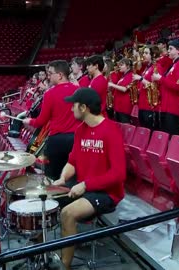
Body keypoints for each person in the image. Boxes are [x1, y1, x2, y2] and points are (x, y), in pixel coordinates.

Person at [53, 87, 126, 270]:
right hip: (85, 187)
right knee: (45, 202)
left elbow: (119, 174)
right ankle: (44, 254)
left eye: (74, 105)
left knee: (67, 214)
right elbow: (72, 162)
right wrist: (62, 179)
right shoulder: (80, 131)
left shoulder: (111, 130)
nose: (71, 109)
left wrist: (86, 184)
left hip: (107, 193)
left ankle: (64, 265)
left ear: (83, 107)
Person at [22, 60, 80, 180]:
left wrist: (29, 121)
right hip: (75, 139)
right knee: (72, 177)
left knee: (52, 177)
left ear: (60, 75)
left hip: (57, 141)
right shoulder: (78, 90)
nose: (48, 76)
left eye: (50, 73)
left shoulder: (50, 93)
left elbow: (41, 121)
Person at [151, 38, 179, 135]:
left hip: (173, 108)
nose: (168, 52)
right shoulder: (173, 65)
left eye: (170, 49)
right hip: (166, 107)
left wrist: (160, 79)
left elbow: (178, 86)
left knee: (172, 137)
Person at [133, 45, 162, 129]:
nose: (143, 55)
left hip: (150, 106)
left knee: (150, 132)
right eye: (143, 53)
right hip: (142, 104)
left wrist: (141, 78)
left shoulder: (157, 67)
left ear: (153, 55)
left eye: (146, 53)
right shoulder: (147, 68)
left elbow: (155, 87)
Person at [108, 58, 134, 124]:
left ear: (128, 66)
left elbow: (124, 89)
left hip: (124, 107)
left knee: (124, 126)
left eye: (122, 65)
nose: (119, 66)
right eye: (119, 65)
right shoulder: (123, 76)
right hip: (118, 107)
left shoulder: (130, 75)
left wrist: (112, 85)